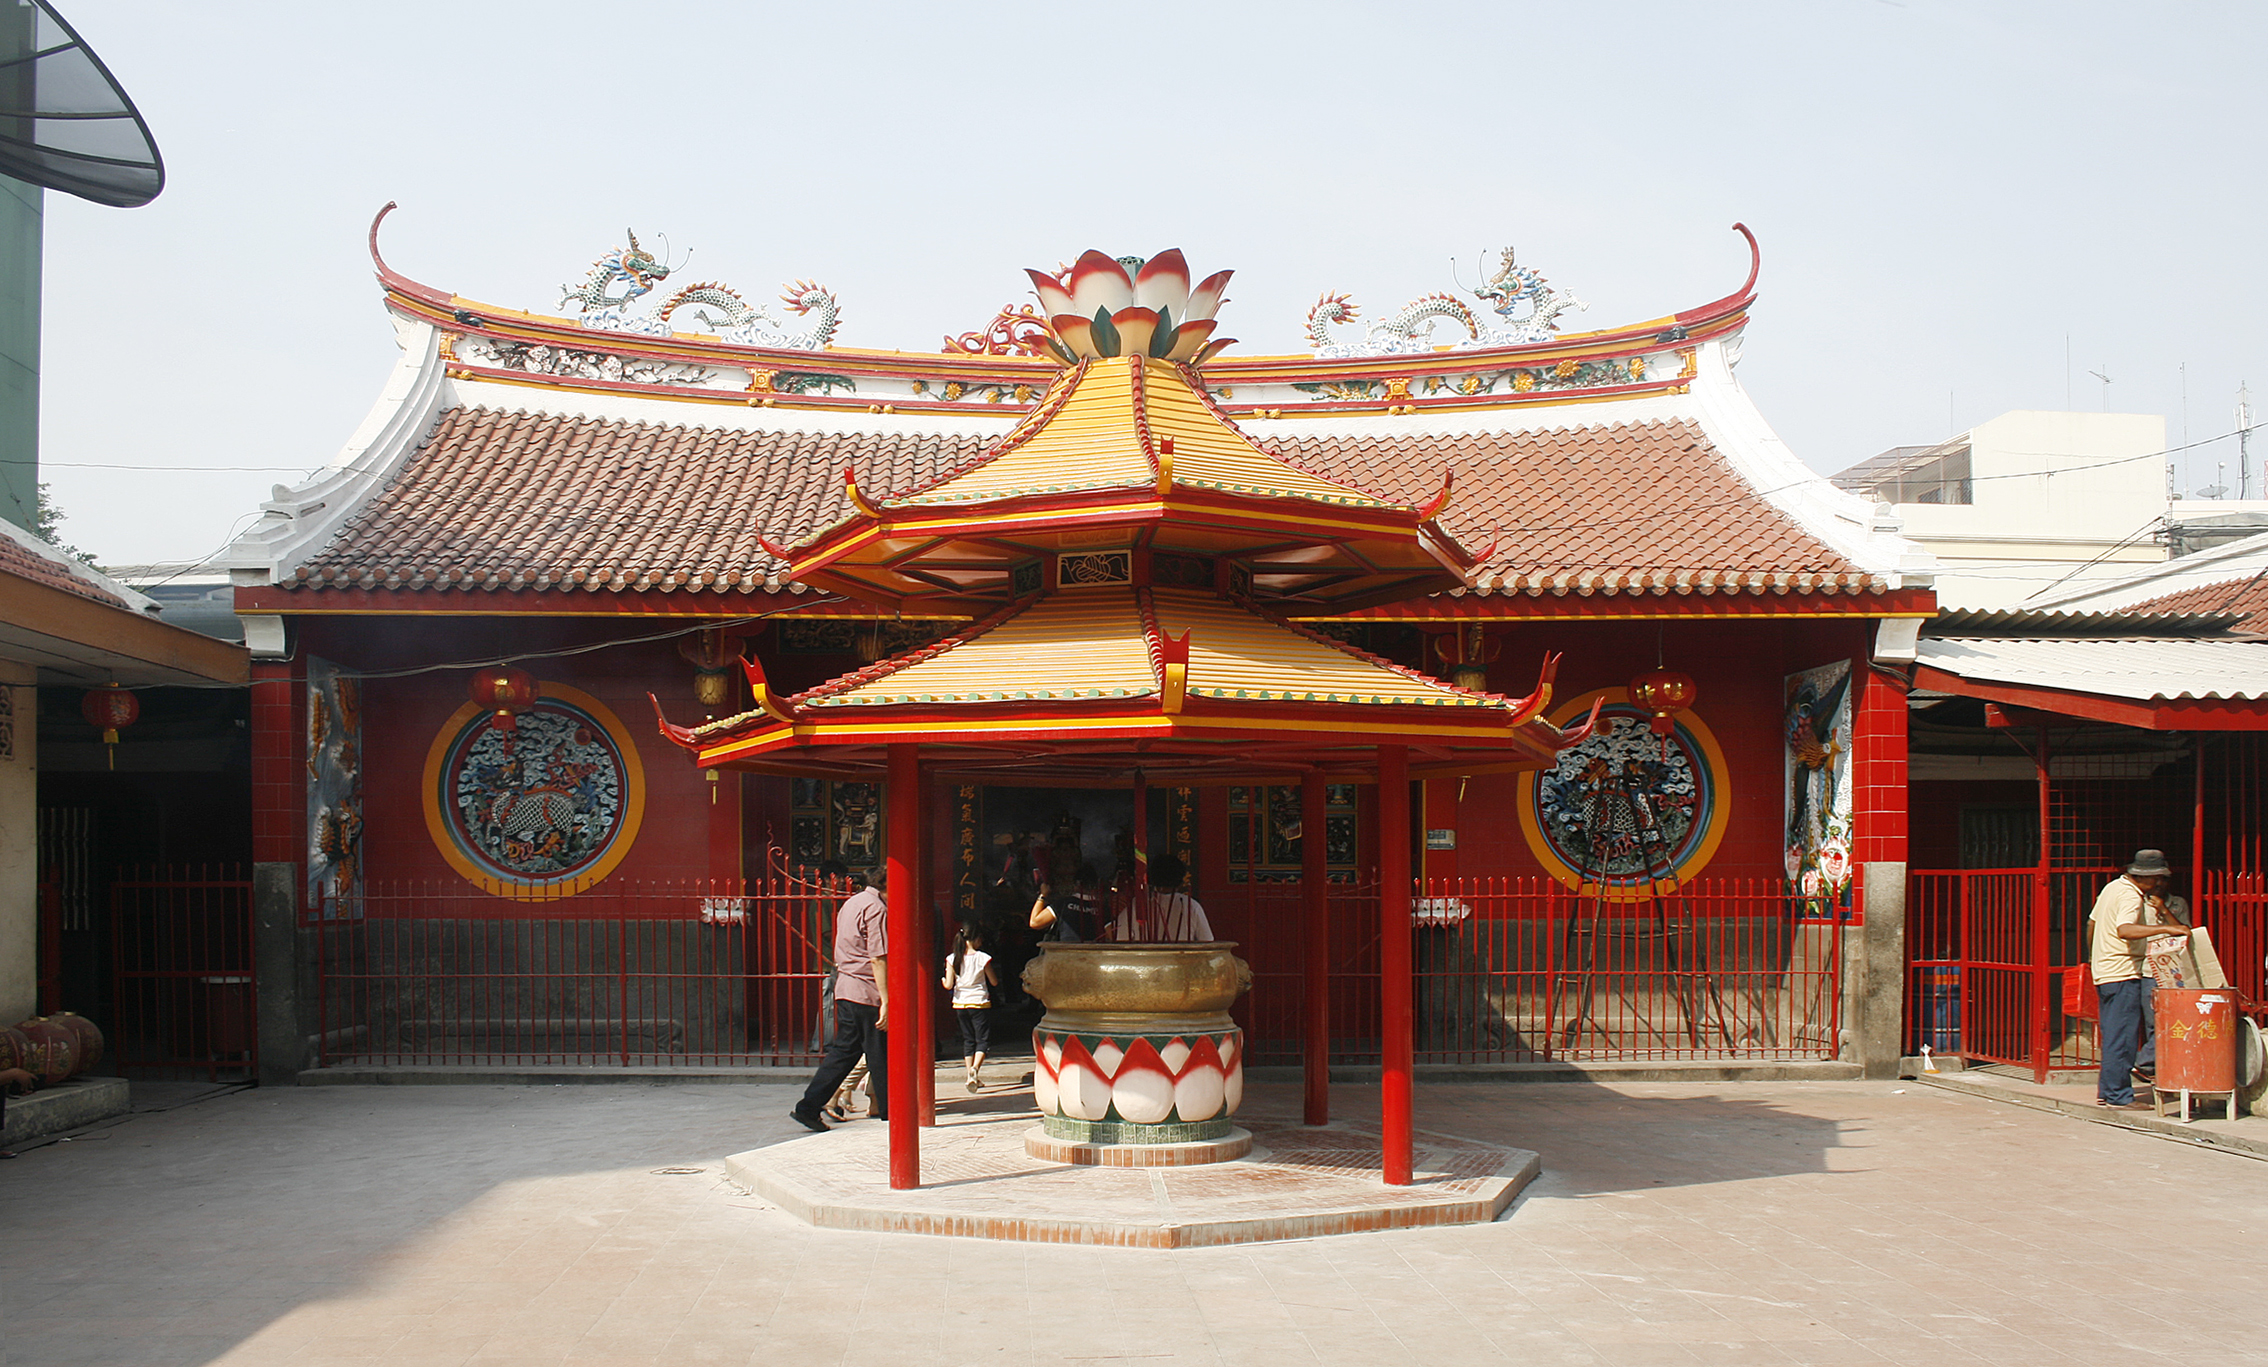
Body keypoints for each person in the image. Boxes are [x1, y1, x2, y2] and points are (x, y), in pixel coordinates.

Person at [791, 866, 889, 1133]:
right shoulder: (877, 908)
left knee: (845, 1051)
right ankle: (891, 1111)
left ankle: (808, 1107)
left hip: (846, 986)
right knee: (879, 1051)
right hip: (867, 989)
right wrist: (887, 999)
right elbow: (878, 957)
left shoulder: (852, 903)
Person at [2090, 849, 2181, 1109]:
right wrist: (2166, 927)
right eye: (2158, 878)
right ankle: (2118, 1095)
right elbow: (2125, 929)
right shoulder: (2131, 896)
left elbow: (2092, 924)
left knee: (2114, 1035)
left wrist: (2093, 958)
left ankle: (2108, 1090)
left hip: (2105, 971)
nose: (2159, 884)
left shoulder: (2112, 888)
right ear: (2148, 877)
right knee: (2124, 1038)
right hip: (2122, 972)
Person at [941, 922, 999, 1092]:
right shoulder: (983, 958)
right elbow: (994, 981)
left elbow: (949, 984)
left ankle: (970, 1075)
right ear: (976, 938)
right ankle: (975, 1070)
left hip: (960, 1003)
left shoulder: (952, 958)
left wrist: (944, 981)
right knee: (982, 1039)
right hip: (979, 1002)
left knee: (968, 1038)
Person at [1109, 853, 1214, 942]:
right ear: (1181, 881)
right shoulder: (1191, 906)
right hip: (1181, 963)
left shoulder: (1138, 904)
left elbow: (1121, 938)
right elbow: (1208, 942)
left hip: (1146, 963)